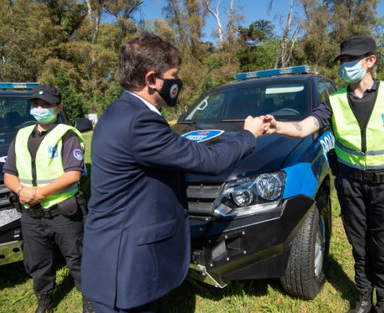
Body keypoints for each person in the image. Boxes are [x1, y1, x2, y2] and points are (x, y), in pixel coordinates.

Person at [81, 32, 265, 313]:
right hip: (126, 268)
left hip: (119, 256)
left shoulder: (121, 111)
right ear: (152, 79)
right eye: (173, 75)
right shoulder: (139, 121)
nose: (177, 82)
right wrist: (248, 135)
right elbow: (209, 161)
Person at [263, 35, 384, 313]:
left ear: (370, 60)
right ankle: (363, 297)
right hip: (352, 186)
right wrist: (277, 126)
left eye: (352, 60)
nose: (346, 66)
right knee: (360, 246)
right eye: (343, 61)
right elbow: (305, 127)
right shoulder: (335, 101)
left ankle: (383, 302)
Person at [3, 84, 94, 313]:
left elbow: (73, 175)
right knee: (38, 261)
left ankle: (90, 302)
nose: (40, 108)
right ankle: (44, 300)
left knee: (78, 259)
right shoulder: (22, 135)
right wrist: (22, 192)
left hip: (63, 212)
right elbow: (9, 174)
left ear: (58, 107)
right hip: (31, 214)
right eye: (36, 104)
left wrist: (39, 194)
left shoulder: (67, 135)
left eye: (46, 105)